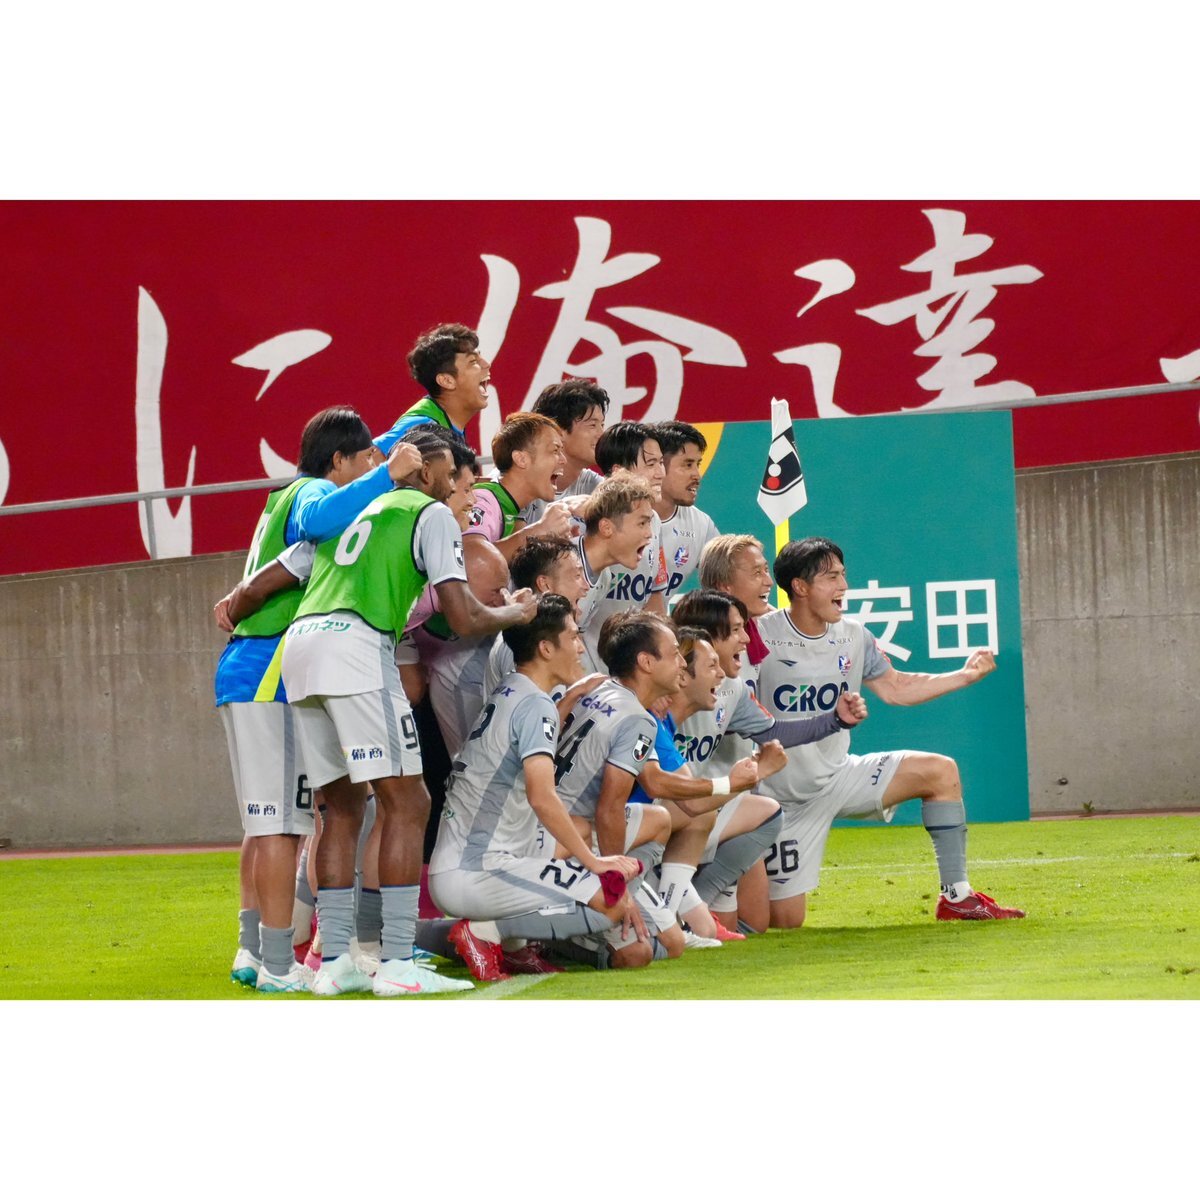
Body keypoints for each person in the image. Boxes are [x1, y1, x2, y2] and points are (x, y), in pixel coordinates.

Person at [280, 435, 537, 996]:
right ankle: (396, 962)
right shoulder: (429, 513)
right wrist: (515, 613)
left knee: (342, 806)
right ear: (424, 475)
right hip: (357, 646)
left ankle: (335, 961)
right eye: (453, 481)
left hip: (301, 646)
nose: (461, 494)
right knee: (409, 800)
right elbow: (462, 616)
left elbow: (280, 571)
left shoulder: (358, 506)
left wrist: (237, 605)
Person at [214, 408, 419, 992]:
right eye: (364, 461)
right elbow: (319, 517)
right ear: (338, 462)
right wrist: (386, 477)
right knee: (283, 823)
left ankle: (254, 951)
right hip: (270, 668)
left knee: (266, 822)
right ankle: (280, 967)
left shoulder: (281, 495)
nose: (372, 467)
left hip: (249, 666)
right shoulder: (310, 492)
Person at [755, 536, 1026, 928]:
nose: (843, 586)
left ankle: (957, 896)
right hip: (780, 798)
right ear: (799, 586)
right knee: (784, 923)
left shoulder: (854, 635)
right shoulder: (759, 636)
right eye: (831, 578)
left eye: (843, 575)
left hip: (838, 777)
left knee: (940, 771)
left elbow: (896, 687)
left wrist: (964, 676)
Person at [428, 595, 646, 982]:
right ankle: (487, 932)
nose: (581, 646)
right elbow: (542, 796)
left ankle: (506, 945)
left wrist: (571, 697)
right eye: (573, 636)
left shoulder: (514, 690)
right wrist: (595, 863)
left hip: (463, 860)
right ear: (546, 648)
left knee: (573, 837)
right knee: (611, 900)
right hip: (479, 868)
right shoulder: (536, 706)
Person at [551, 611, 785, 966]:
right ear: (646, 662)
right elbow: (611, 808)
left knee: (673, 942)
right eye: (675, 653)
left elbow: (653, 780)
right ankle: (563, 933)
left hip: (565, 827)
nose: (681, 663)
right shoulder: (636, 718)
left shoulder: (609, 694)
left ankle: (623, 901)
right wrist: (615, 887)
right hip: (571, 837)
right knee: (637, 954)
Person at [484, 536, 591, 695]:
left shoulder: (545, 631)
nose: (586, 586)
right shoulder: (521, 644)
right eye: (577, 576)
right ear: (544, 584)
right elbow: (528, 708)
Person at [463, 412, 573, 559]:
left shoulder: (512, 507)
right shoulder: (482, 499)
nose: (563, 460)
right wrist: (540, 530)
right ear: (521, 459)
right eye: (555, 450)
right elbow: (472, 558)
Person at [373, 323, 491, 452]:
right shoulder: (420, 425)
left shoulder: (450, 422)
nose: (487, 364)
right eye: (473, 361)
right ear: (447, 381)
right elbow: (365, 458)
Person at [519, 378, 609, 526]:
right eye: (592, 425)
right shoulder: (517, 479)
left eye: (602, 425)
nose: (601, 434)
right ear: (558, 430)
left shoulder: (595, 485)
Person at [650, 420, 720, 603]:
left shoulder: (701, 524)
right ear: (658, 466)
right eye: (688, 465)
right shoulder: (617, 516)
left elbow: (729, 581)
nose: (697, 475)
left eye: (698, 464)